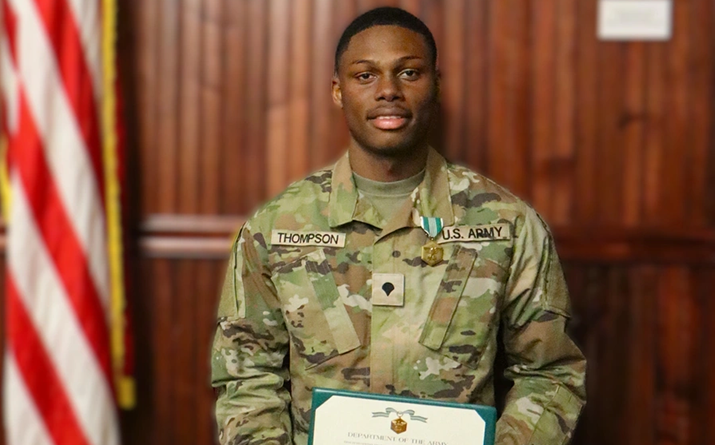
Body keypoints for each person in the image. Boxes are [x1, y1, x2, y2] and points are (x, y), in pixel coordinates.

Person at [211, 7, 586, 445]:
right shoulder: (275, 227)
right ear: (338, 91)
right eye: (365, 76)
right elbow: (247, 375)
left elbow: (550, 373)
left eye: (408, 73)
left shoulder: (506, 223)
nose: (388, 91)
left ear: (436, 85)